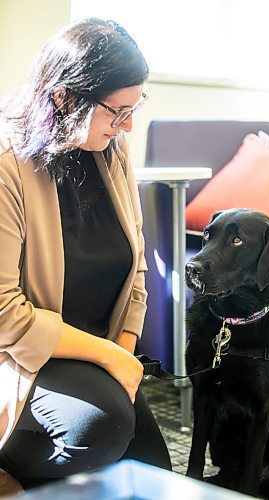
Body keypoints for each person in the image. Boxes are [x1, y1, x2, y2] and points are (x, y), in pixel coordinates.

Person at [0, 16, 171, 490]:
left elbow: (136, 267)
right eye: (118, 111)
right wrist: (112, 361)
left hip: (94, 353)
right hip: (22, 356)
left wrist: (124, 355)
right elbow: (3, 314)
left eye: (135, 107)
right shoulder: (6, 165)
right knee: (100, 428)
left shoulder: (110, 148)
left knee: (152, 476)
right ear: (65, 97)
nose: (128, 124)